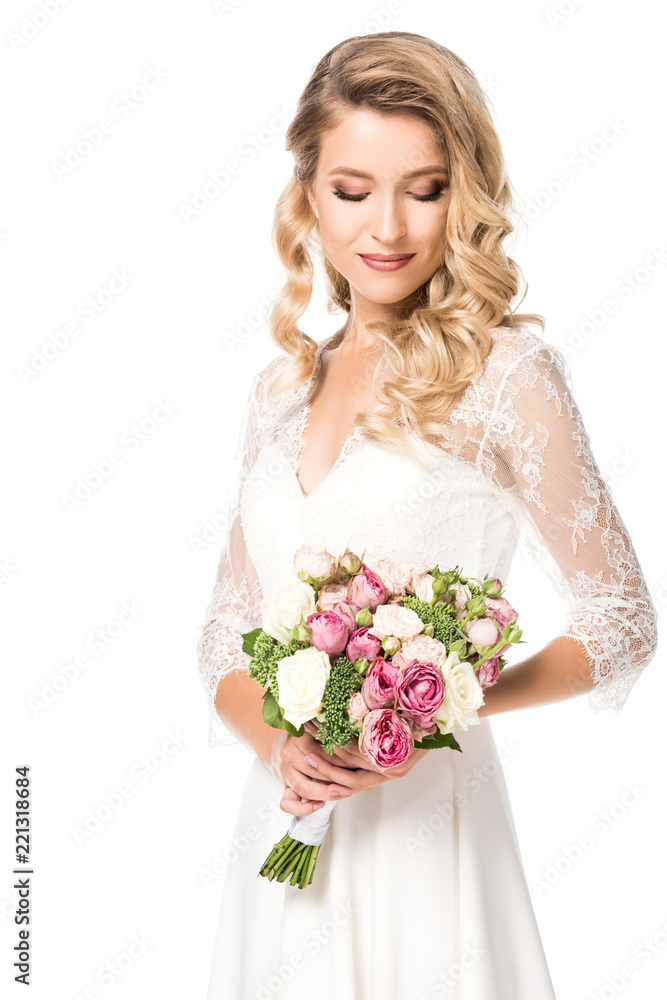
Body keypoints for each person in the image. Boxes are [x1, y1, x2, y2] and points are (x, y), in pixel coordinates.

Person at [196, 31, 658, 999]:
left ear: (467, 196)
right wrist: (287, 747)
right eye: (354, 189)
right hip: (286, 829)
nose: (390, 226)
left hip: (430, 828)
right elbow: (224, 639)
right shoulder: (276, 393)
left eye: (428, 186)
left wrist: (425, 701)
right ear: (308, 197)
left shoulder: (506, 375)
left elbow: (622, 616)